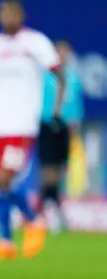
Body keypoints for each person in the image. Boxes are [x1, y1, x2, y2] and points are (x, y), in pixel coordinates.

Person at [0, 0, 65, 262]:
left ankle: (33, 220)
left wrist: (55, 110)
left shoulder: (35, 42)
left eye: (12, 13)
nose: (8, 17)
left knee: (5, 178)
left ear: (21, 15)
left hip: (21, 123)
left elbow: (59, 75)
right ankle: (5, 243)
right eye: (3, 13)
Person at [37, 40, 84, 231]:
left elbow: (75, 106)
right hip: (48, 124)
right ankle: (46, 208)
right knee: (47, 167)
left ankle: (51, 205)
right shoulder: (45, 77)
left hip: (64, 126)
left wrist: (75, 127)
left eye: (66, 52)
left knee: (59, 168)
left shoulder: (72, 78)